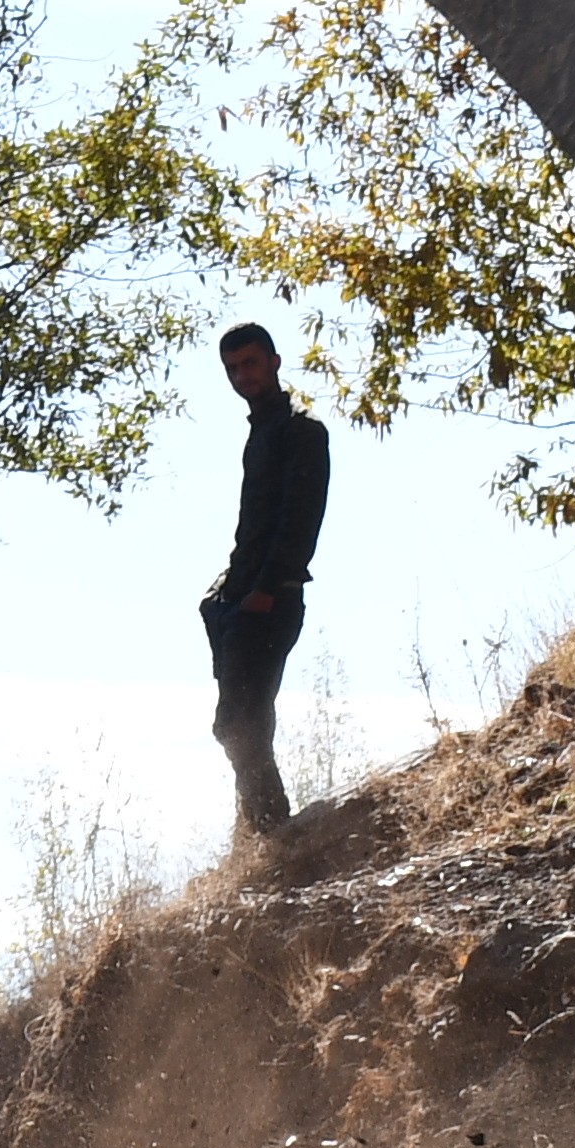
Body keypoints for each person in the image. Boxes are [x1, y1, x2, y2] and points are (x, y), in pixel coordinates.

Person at [203, 322, 331, 844]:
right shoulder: (260, 431)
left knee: (241, 722)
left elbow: (299, 519)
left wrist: (266, 589)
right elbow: (252, 527)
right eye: (232, 368)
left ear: (275, 362)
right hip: (239, 597)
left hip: (271, 599)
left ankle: (275, 835)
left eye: (250, 363)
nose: (242, 375)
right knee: (238, 721)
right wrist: (220, 595)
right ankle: (259, 832)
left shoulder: (301, 430)